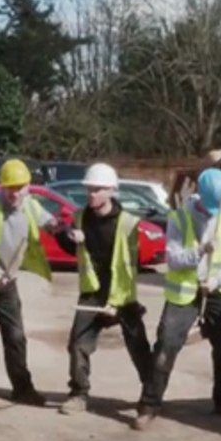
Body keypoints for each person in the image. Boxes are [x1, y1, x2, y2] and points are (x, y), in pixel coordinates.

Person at [0, 158, 77, 415]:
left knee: (16, 336)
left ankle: (22, 389)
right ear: (2, 187)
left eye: (20, 187)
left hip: (7, 282)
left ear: (28, 187)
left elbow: (52, 225)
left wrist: (65, 228)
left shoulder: (31, 207)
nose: (15, 193)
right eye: (10, 187)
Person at [134, 166, 221, 430]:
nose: (215, 213)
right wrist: (198, 252)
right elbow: (173, 260)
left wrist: (217, 279)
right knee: (165, 348)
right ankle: (149, 405)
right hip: (184, 293)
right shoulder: (180, 217)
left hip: (217, 291)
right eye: (212, 207)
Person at [57, 163, 154, 416]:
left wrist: (117, 303)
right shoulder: (80, 218)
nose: (92, 195)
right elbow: (74, 251)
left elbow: (130, 267)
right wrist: (65, 237)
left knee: (139, 346)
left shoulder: (128, 223)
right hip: (92, 291)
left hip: (121, 294)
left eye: (98, 190)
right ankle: (78, 393)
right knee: (78, 344)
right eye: (89, 189)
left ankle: (151, 397)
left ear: (112, 191)